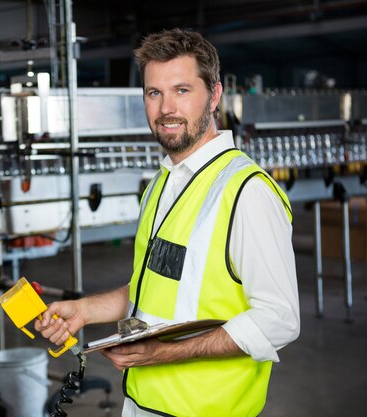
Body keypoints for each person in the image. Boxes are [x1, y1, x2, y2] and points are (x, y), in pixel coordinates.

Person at [35, 28, 300, 417]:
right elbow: (158, 289)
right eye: (153, 93)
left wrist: (165, 353)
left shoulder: (246, 191)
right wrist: (86, 311)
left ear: (214, 95)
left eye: (182, 90)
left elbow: (280, 320)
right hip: (142, 404)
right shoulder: (162, 183)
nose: (165, 109)